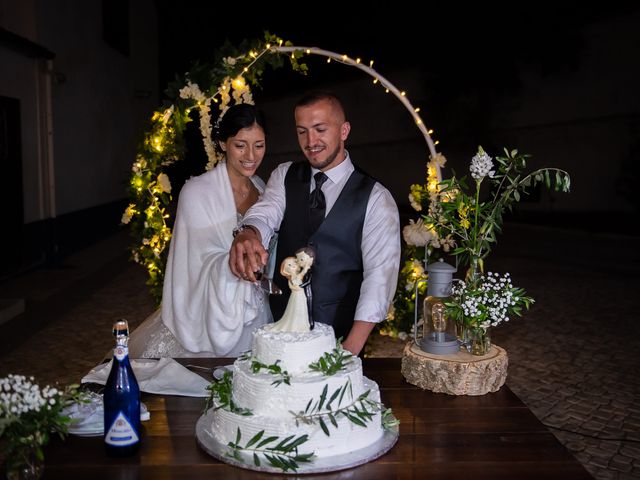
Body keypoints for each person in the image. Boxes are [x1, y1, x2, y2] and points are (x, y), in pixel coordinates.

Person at [230, 91, 400, 356]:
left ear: (344, 131)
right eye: (302, 131)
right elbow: (265, 213)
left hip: (339, 337)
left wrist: (349, 351)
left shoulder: (376, 198)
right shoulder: (285, 175)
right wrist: (249, 232)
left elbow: (379, 278)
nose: (311, 141)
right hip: (279, 331)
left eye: (320, 129)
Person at [128, 103, 272, 358]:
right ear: (222, 143)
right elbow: (191, 264)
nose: (251, 155)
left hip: (256, 311)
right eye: (240, 145)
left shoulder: (262, 189)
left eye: (258, 145)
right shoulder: (196, 192)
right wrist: (232, 264)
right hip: (207, 315)